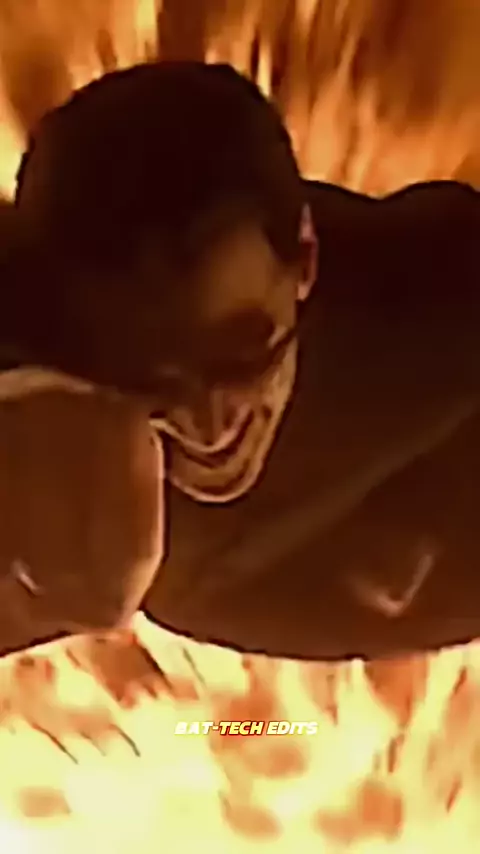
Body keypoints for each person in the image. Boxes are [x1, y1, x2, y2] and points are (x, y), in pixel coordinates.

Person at [9, 60, 480, 662]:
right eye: (147, 376)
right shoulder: (41, 386)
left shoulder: (433, 300)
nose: (207, 426)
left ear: (305, 259)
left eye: (239, 352)